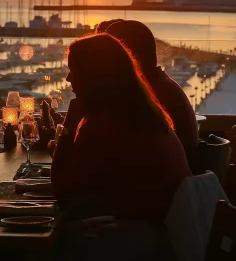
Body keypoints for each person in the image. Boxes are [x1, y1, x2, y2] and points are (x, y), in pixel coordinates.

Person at [52, 34, 191, 223]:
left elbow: (64, 191)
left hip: (146, 240)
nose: (68, 78)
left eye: (73, 70)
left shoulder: (103, 124)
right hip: (172, 229)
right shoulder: (145, 115)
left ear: (93, 75)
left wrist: (69, 124)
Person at [104, 20, 199, 165]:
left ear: (130, 57)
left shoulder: (148, 96)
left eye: (109, 56)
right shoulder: (163, 86)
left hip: (164, 184)